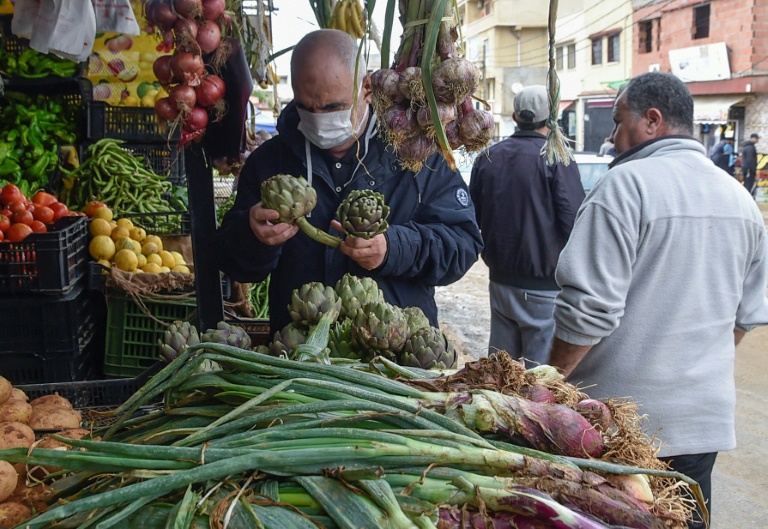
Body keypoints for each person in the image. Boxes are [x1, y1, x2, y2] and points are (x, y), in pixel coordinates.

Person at [548, 71, 768, 529]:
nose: (611, 136)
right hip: (701, 430)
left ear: (652, 120)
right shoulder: (742, 200)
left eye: (617, 120)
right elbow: (745, 319)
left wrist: (550, 384)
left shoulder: (623, 187)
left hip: (618, 431)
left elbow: (588, 311)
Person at [216, 29, 483, 334]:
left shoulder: (417, 155)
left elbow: (463, 244)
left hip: (396, 352)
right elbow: (231, 263)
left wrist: (393, 249)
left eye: (333, 108)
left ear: (367, 87)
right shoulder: (268, 162)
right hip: (301, 355)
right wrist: (253, 236)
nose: (319, 119)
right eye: (306, 107)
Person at [468, 85, 585, 368]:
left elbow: (473, 218)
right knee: (538, 385)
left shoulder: (488, 157)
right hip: (544, 289)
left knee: (499, 376)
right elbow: (575, 223)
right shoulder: (557, 158)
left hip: (500, 282)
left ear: (514, 116)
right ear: (552, 118)